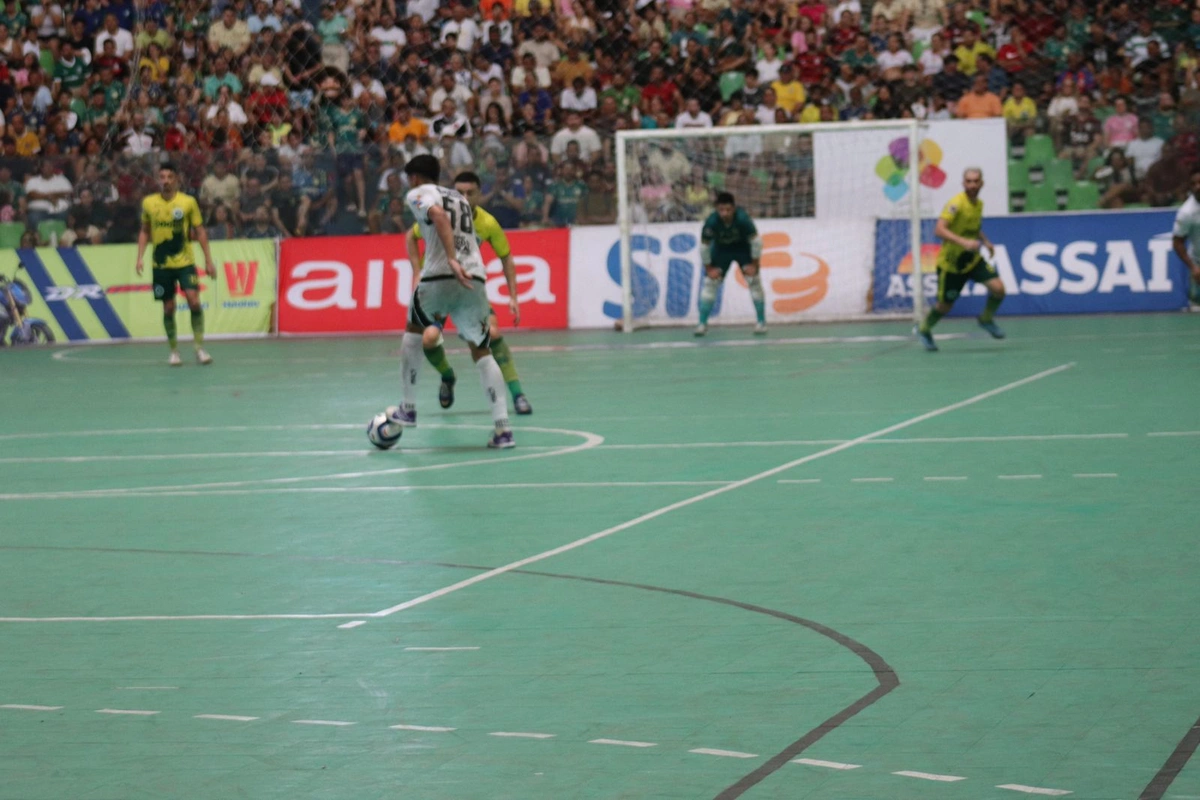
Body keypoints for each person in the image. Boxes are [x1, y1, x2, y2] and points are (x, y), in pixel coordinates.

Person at [391, 155, 514, 449]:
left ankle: (407, 408)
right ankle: (503, 430)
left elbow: (438, 217)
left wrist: (449, 258)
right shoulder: (459, 198)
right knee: (482, 351)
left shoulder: (419, 194)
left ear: (415, 178)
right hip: (475, 277)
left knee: (413, 332)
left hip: (441, 274)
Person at [407, 171, 532, 415]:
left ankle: (518, 394)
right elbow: (411, 236)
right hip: (437, 288)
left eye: (470, 193)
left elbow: (506, 257)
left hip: (467, 289)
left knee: (492, 334)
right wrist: (416, 272)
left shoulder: (487, 223)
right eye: (459, 192)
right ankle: (447, 376)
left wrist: (513, 296)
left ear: (480, 194)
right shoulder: (436, 214)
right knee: (429, 340)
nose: (464, 197)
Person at [915, 168, 1006, 352]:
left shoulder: (978, 204)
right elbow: (939, 230)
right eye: (968, 181)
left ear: (981, 183)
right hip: (952, 265)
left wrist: (986, 241)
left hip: (972, 260)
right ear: (963, 183)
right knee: (945, 306)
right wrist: (963, 241)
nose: (972, 185)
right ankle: (923, 329)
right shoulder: (956, 203)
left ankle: (986, 319)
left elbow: (973, 227)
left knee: (999, 289)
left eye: (975, 181)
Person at [135, 163, 216, 366]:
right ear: (158, 180)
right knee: (168, 308)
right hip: (160, 265)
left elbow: (200, 231)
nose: (166, 181)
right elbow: (145, 230)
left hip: (185, 262)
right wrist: (140, 257)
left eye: (170, 177)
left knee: (193, 301)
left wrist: (208, 260)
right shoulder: (149, 203)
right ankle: (174, 351)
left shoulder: (188, 202)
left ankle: (199, 348)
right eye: (162, 177)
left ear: (176, 180)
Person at [695, 191, 765, 336]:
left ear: (733, 208)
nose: (724, 213)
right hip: (722, 251)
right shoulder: (711, 222)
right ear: (716, 209)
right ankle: (702, 324)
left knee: (754, 281)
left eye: (728, 210)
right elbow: (704, 246)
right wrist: (708, 268)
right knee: (710, 283)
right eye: (721, 210)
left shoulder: (743, 219)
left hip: (742, 250)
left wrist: (754, 265)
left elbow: (756, 242)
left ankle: (761, 322)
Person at [1172, 168, 1200, 306]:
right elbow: (1177, 243)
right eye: (1194, 184)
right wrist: (1193, 267)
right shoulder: (1187, 213)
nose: (1197, 187)